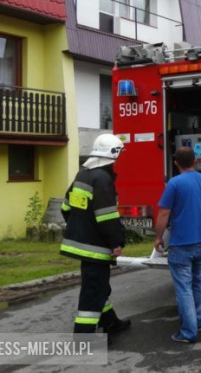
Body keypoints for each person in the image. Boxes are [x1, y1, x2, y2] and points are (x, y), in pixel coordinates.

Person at [60, 134, 131, 335]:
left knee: (98, 286)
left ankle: (110, 322)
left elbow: (66, 207)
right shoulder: (103, 179)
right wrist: (116, 242)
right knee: (93, 292)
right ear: (114, 154)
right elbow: (106, 217)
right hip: (96, 248)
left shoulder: (82, 175)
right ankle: (84, 337)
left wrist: (81, 228)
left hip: (82, 244)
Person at [155, 147, 201, 343]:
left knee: (184, 287)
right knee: (198, 281)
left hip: (181, 244)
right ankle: (199, 322)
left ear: (176, 163)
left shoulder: (174, 184)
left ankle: (188, 331)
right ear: (195, 160)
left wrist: (158, 237)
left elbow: (163, 214)